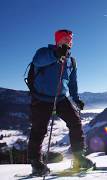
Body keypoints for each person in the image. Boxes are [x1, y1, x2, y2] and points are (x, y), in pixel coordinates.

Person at [27, 29, 94, 176]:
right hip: (42, 98)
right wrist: (56, 54)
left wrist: (76, 99)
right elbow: (37, 61)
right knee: (39, 129)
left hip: (61, 98)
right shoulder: (44, 52)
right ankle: (35, 163)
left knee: (75, 123)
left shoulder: (71, 61)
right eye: (65, 40)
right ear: (57, 41)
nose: (68, 43)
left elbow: (72, 83)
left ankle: (78, 157)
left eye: (70, 40)